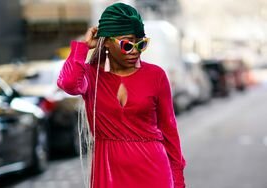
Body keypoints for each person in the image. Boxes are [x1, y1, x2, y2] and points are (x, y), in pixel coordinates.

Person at [57, 3, 186, 188]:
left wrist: (178, 180)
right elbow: (68, 83)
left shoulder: (156, 75)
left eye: (141, 44)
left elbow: (170, 131)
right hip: (108, 172)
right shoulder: (92, 75)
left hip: (154, 171)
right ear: (107, 42)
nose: (135, 51)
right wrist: (83, 47)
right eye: (127, 44)